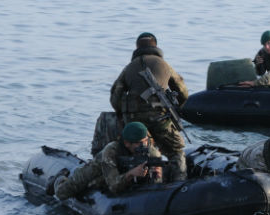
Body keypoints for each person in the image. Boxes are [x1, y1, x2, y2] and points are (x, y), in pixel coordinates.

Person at [109, 32, 190, 180]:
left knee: (140, 150)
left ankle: (139, 181)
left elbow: (115, 96)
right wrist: (175, 107)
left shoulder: (129, 68)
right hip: (161, 118)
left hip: (134, 120)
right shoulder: (164, 65)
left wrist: (122, 113)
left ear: (136, 47)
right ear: (156, 46)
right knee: (176, 151)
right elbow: (183, 91)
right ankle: (179, 182)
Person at [54, 121, 164, 199]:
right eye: (138, 143)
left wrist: (155, 176)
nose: (143, 145)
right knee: (62, 193)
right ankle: (59, 178)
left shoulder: (152, 153)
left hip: (119, 174)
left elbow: (155, 186)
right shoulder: (111, 151)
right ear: (127, 143)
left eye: (145, 141)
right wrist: (130, 174)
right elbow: (114, 186)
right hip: (99, 170)